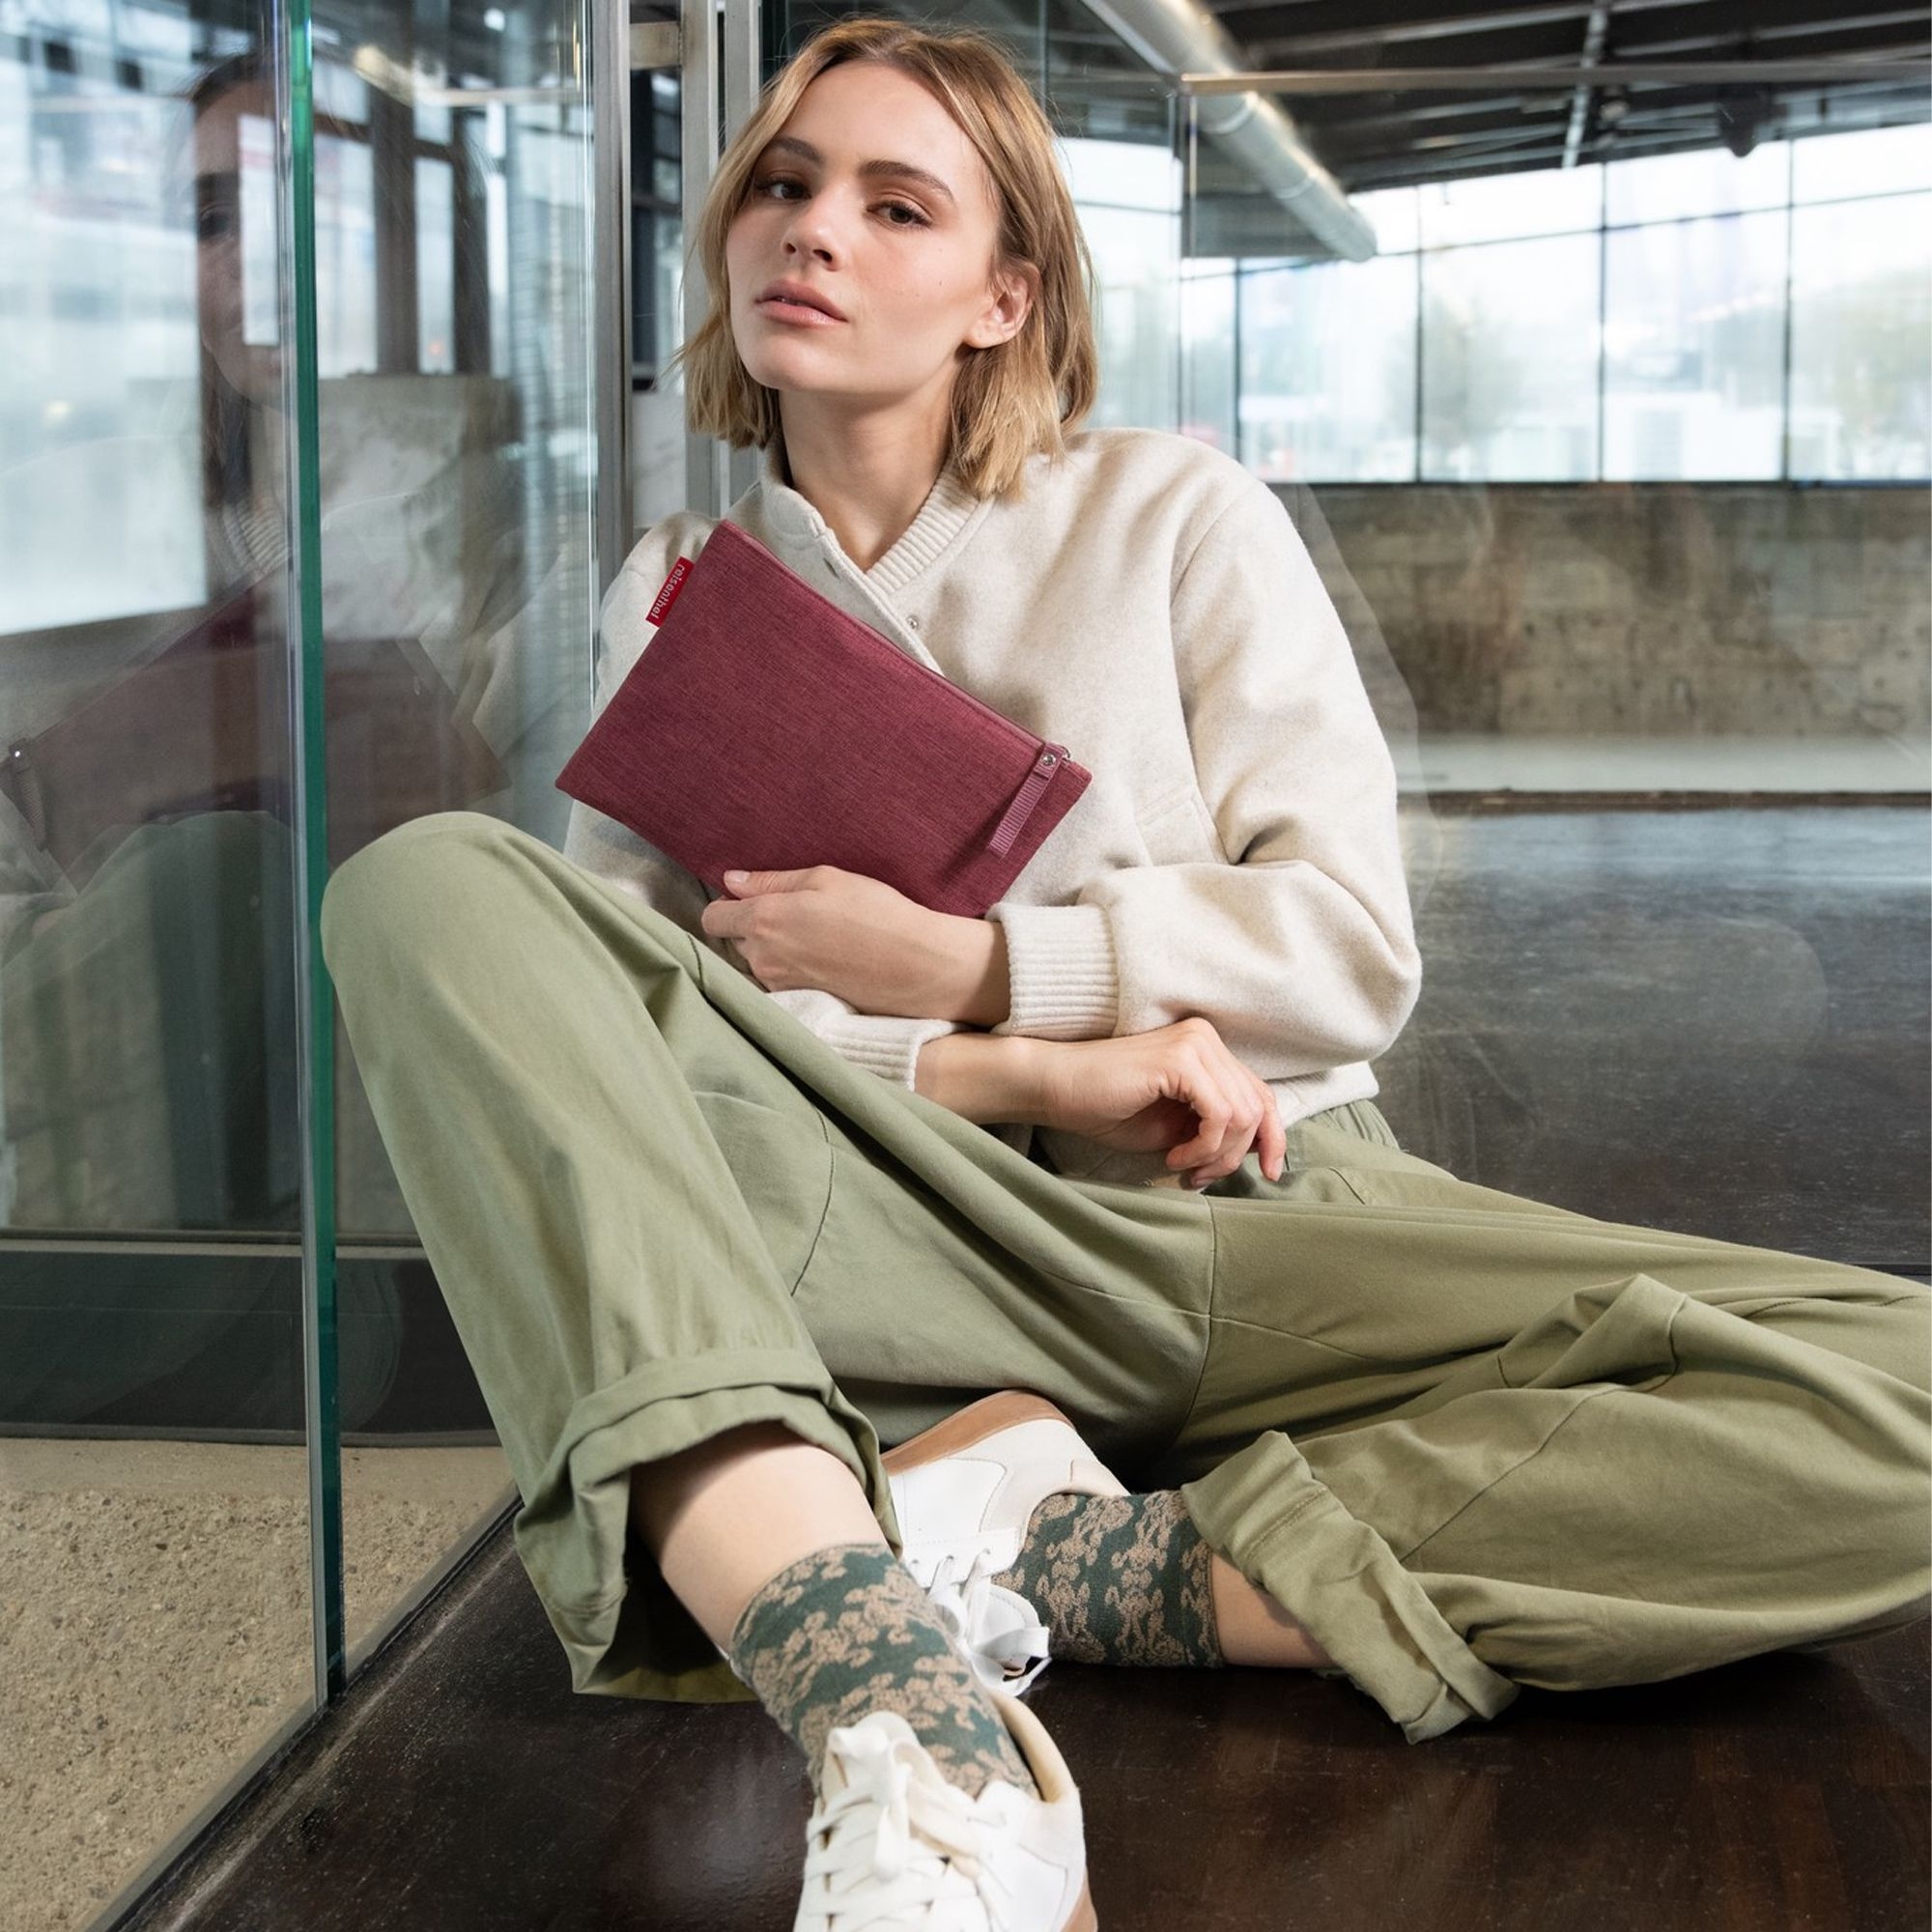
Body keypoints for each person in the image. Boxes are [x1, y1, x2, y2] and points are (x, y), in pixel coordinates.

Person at [318, 17, 1931, 1930]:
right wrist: (1021, 1072)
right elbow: (613, 1050)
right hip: (893, 1222)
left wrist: (988, 963)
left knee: (1896, 1390)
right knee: (428, 887)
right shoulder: (669, 586)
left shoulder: (1174, 515)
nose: (811, 230)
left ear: (1006, 292)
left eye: (891, 203)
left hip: (1249, 1203)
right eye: (781, 182)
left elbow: (1344, 949)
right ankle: (903, 1713)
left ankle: (1074, 1558)